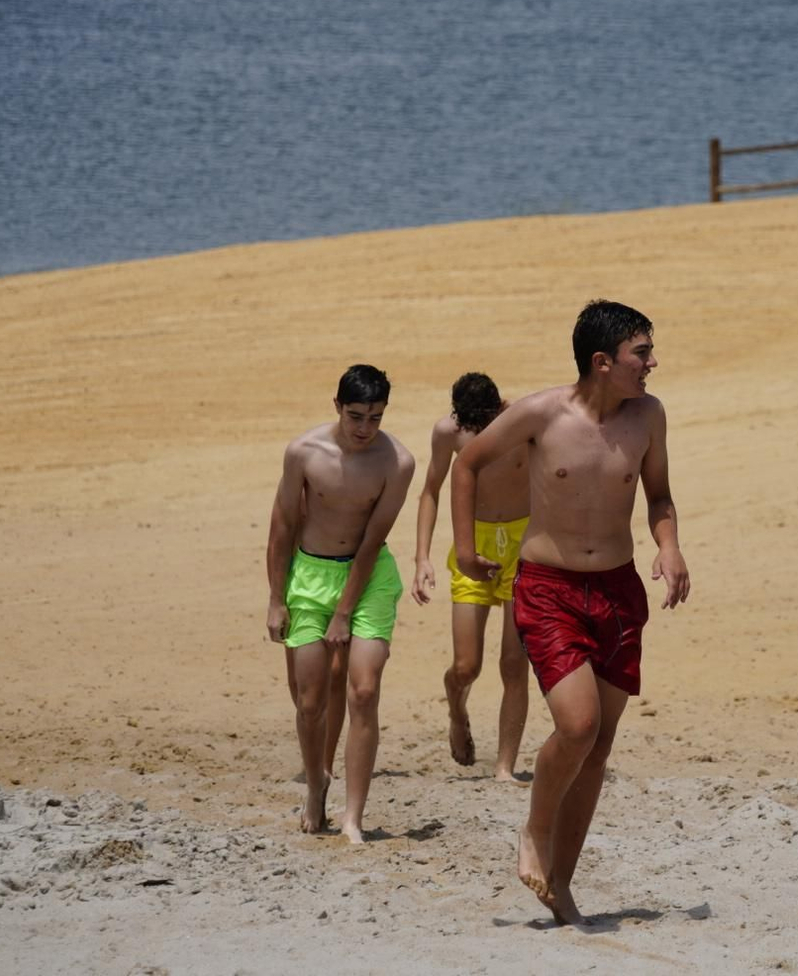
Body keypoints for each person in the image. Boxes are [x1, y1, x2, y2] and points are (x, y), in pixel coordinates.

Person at [451, 300, 691, 925]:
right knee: (578, 726)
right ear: (602, 361)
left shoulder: (648, 417)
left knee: (599, 746)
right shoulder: (539, 413)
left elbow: (659, 494)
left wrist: (668, 545)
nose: (653, 363)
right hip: (549, 588)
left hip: (617, 590)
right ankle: (534, 830)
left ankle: (561, 884)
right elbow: (467, 464)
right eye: (643, 353)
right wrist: (466, 548)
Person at [265, 364, 416, 843]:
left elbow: (373, 541)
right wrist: (275, 598)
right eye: (355, 416)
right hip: (309, 578)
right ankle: (316, 787)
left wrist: (346, 613)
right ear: (337, 406)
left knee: (363, 692)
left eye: (375, 417)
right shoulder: (303, 452)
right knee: (309, 703)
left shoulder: (398, 462)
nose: (364, 429)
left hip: (368, 578)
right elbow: (282, 527)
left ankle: (354, 817)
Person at [410, 372, 532, 782]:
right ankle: (457, 710)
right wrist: (422, 557)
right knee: (466, 666)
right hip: (472, 543)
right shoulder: (449, 432)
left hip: (522, 544)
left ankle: (504, 766)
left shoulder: (522, 419)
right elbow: (431, 490)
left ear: (500, 407)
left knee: (514, 663)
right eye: (469, 426)